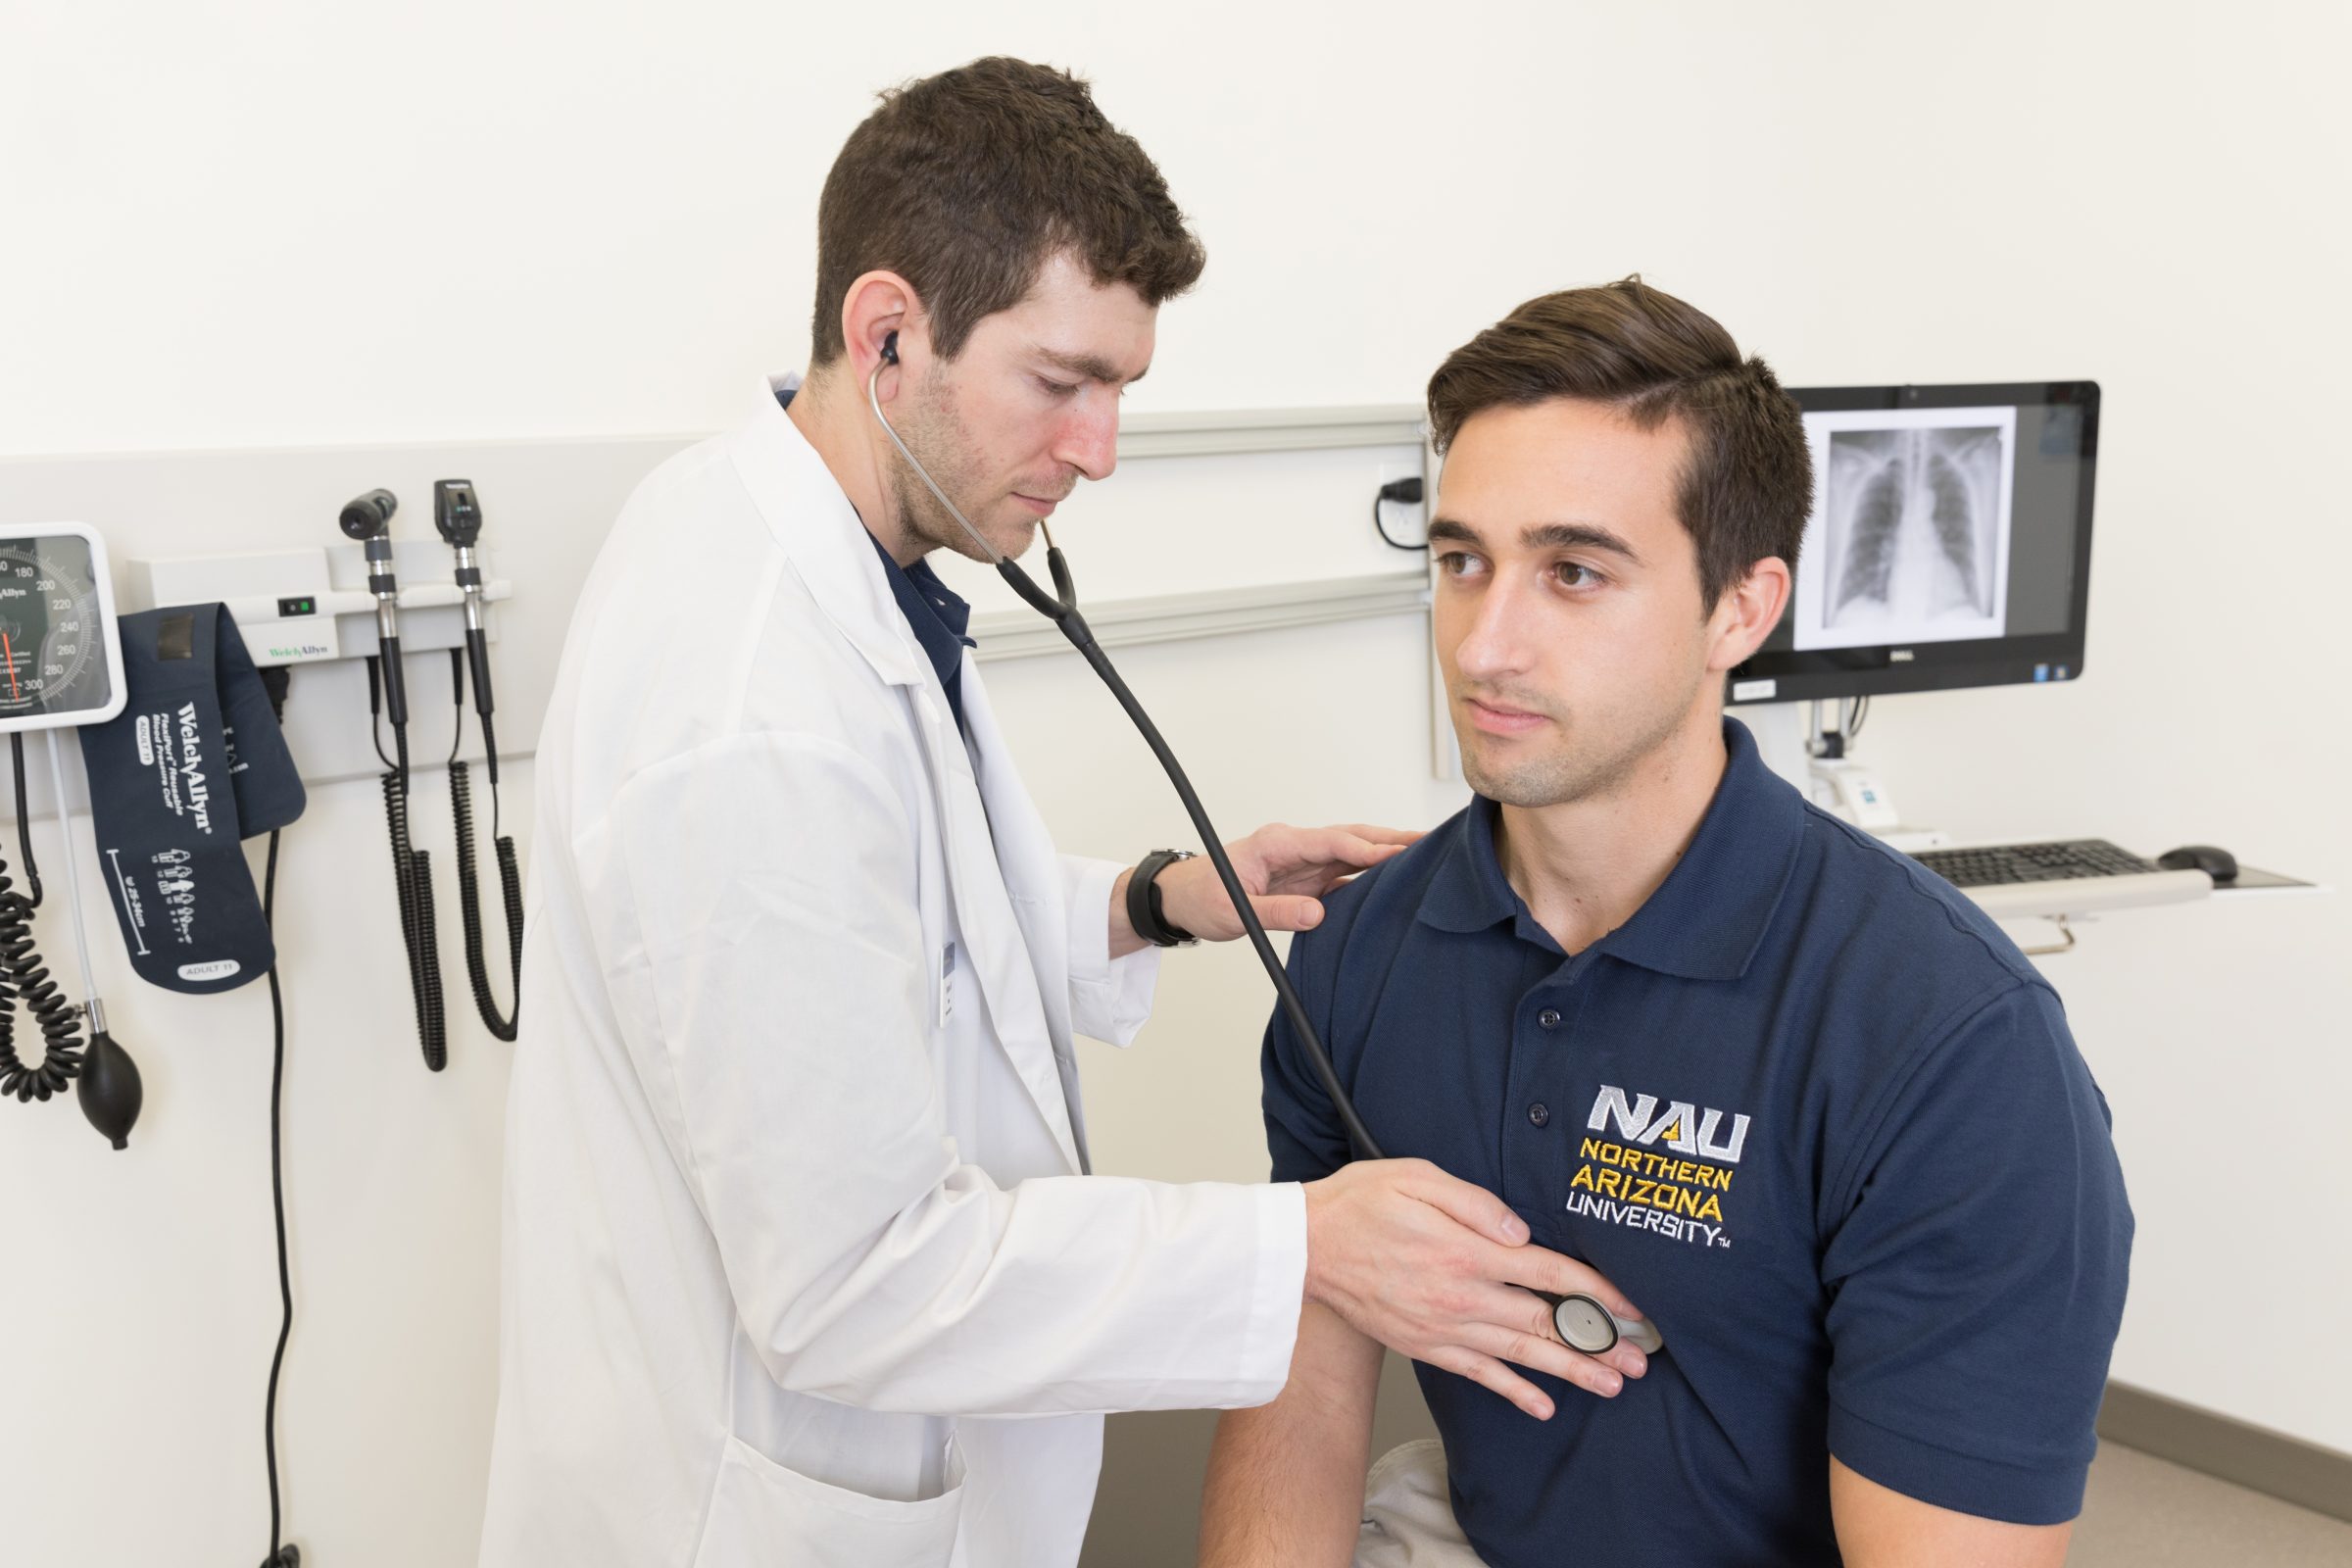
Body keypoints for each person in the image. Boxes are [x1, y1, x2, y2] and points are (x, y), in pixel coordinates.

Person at [479, 59, 1635, 1568]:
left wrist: (1147, 901)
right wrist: (1303, 1246)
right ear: (886, 331)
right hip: (757, 1511)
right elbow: (856, 1284)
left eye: (1123, 392)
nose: (1100, 451)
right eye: (1062, 384)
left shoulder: (806, 548)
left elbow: (866, 920)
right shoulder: (752, 701)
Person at [1200, 279, 2133, 1568]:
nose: (1484, 647)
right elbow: (1302, 1389)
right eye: (1463, 561)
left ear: (1740, 611)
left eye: (1574, 572)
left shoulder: (1950, 1043)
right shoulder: (1360, 953)